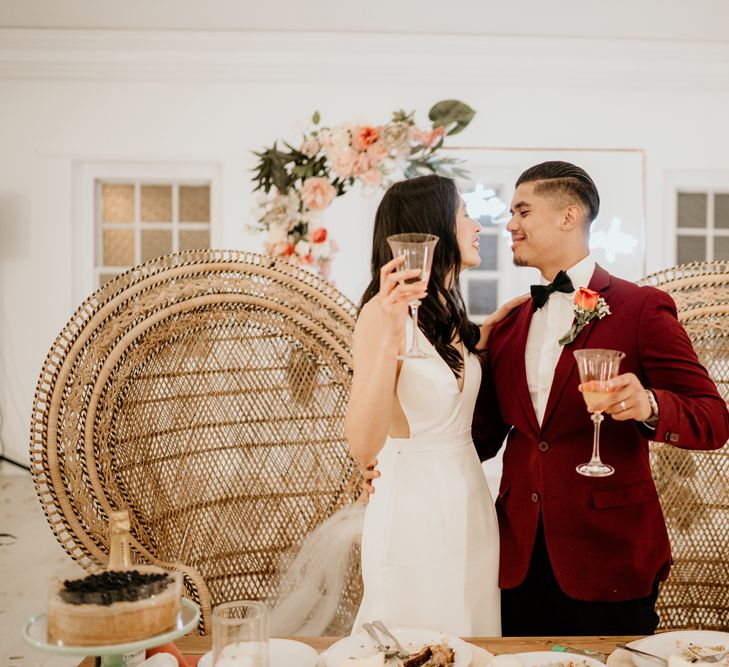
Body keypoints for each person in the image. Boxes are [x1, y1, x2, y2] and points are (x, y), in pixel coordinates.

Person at [472, 160, 729, 636]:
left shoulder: (641, 308)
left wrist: (650, 404)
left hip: (611, 558)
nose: (509, 224)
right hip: (517, 560)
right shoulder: (508, 324)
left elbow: (714, 419)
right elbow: (482, 438)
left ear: (568, 216)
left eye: (523, 211)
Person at [346, 174, 525, 636]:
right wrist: (387, 332)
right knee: (414, 642)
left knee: (472, 633)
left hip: (470, 500)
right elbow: (364, 445)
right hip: (414, 508)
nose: (477, 224)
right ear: (433, 228)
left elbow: (446, 383)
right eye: (464, 212)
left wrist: (481, 338)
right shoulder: (381, 315)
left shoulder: (448, 312)